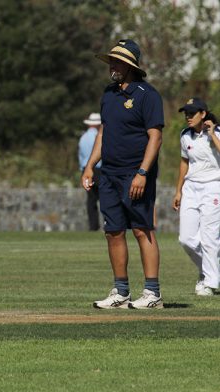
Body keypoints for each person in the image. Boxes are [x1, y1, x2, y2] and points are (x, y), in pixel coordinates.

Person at [81, 39, 164, 309]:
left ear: (130, 66)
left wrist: (142, 172)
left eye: (117, 62)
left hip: (135, 173)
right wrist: (90, 165)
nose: (112, 67)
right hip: (110, 175)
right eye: (111, 62)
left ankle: (152, 293)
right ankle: (121, 291)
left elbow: (155, 137)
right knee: (113, 232)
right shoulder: (109, 94)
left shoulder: (147, 94)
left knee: (141, 230)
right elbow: (103, 134)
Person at [172, 97, 220, 296]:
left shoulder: (216, 133)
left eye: (192, 113)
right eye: (186, 113)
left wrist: (212, 135)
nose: (188, 117)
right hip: (191, 188)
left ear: (203, 114)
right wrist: (178, 190)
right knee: (186, 239)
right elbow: (184, 163)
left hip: (213, 187)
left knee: (210, 238)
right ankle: (209, 272)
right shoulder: (185, 135)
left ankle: (210, 282)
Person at [78, 113, 102, 231]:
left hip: (85, 170)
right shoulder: (99, 136)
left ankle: (93, 226)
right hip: (100, 169)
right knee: (105, 197)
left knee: (91, 199)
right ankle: (109, 224)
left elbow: (81, 157)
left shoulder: (83, 137)